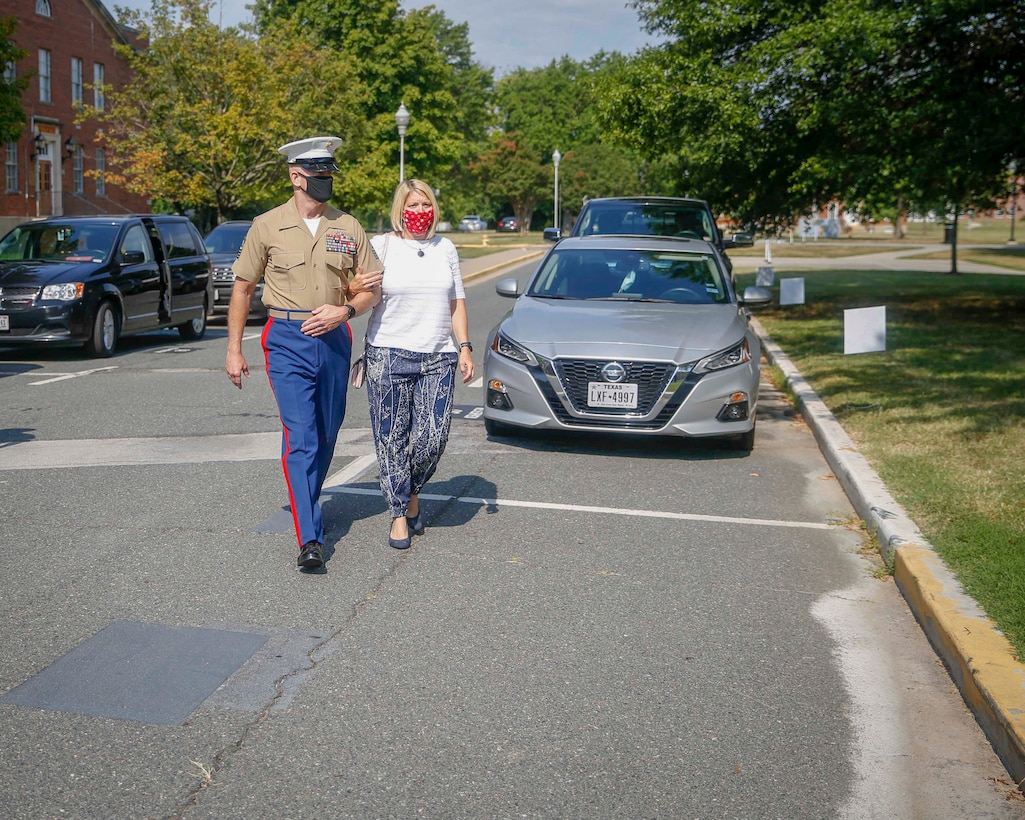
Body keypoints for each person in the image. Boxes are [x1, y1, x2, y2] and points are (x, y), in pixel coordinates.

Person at [225, 136, 383, 570]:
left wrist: (346, 310)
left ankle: (306, 505)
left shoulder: (348, 226)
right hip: (286, 338)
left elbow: (372, 288)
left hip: (334, 339)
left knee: (328, 433)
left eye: (329, 174)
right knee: (302, 437)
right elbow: (242, 287)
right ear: (296, 176)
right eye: (318, 175)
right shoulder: (267, 225)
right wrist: (234, 349)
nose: (325, 182)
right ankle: (310, 537)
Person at [365, 179, 475, 549]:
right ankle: (399, 512)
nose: (420, 213)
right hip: (388, 353)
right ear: (400, 208)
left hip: (439, 356)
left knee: (433, 437)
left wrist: (465, 347)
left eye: (426, 205)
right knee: (391, 439)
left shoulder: (446, 248)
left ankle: (411, 491)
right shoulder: (382, 246)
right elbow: (360, 291)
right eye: (412, 206)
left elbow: (456, 302)